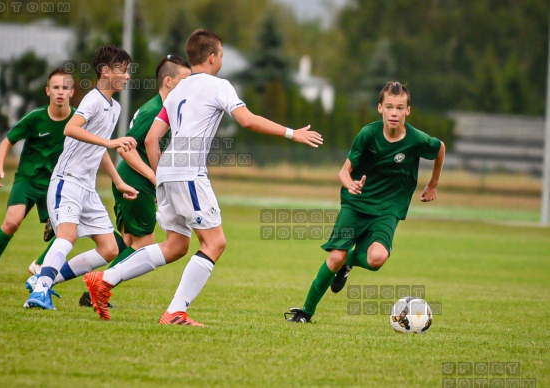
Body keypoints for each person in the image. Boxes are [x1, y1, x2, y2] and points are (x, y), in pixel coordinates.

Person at [83, 29, 323, 324]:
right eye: (221, 54)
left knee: (176, 246)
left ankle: (105, 280)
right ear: (212, 57)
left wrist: (161, 179)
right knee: (215, 243)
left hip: (168, 171)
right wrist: (292, 133)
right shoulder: (218, 85)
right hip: (188, 172)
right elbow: (247, 120)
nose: (221, 60)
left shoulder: (177, 90)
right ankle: (175, 311)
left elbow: (151, 139)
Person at [285, 81, 445, 323]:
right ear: (380, 108)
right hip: (356, 203)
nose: (394, 113)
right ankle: (305, 312)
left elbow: (440, 147)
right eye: (389, 107)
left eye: (400, 108)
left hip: (388, 209)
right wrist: (350, 184)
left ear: (408, 111)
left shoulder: (416, 140)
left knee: (377, 259)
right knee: (335, 257)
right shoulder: (368, 134)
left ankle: (348, 263)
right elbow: (343, 172)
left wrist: (433, 184)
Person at [24, 45, 138, 310]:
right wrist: (110, 143)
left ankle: (45, 280)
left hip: (87, 187)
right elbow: (70, 128)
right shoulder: (94, 99)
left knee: (109, 248)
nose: (128, 76)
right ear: (106, 71)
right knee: (67, 236)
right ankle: (39, 293)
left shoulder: (115, 107)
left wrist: (118, 182)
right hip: (67, 180)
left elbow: (99, 148)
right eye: (124, 70)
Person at [78, 55, 192, 307]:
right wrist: (154, 177)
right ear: (169, 81)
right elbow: (125, 148)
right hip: (135, 182)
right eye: (185, 81)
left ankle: (89, 289)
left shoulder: (166, 108)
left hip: (136, 180)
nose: (189, 86)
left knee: (128, 242)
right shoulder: (153, 110)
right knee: (145, 242)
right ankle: (96, 288)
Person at [0, 67, 75, 284]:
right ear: (48, 91)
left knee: (67, 229)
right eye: (56, 87)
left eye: (65, 87)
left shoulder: (77, 119)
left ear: (72, 91)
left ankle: (39, 264)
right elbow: (7, 141)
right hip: (27, 180)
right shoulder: (35, 117)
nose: (60, 91)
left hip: (54, 184)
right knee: (12, 222)